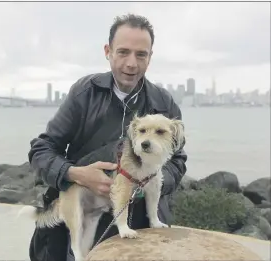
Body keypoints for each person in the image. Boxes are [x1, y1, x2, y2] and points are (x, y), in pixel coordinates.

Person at [27, 13, 187, 261]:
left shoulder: (164, 103)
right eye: (123, 52)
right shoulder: (84, 93)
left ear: (150, 57)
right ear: (108, 51)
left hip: (142, 227)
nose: (131, 63)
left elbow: (178, 160)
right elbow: (41, 150)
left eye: (141, 54)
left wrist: (148, 184)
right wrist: (75, 173)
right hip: (84, 221)